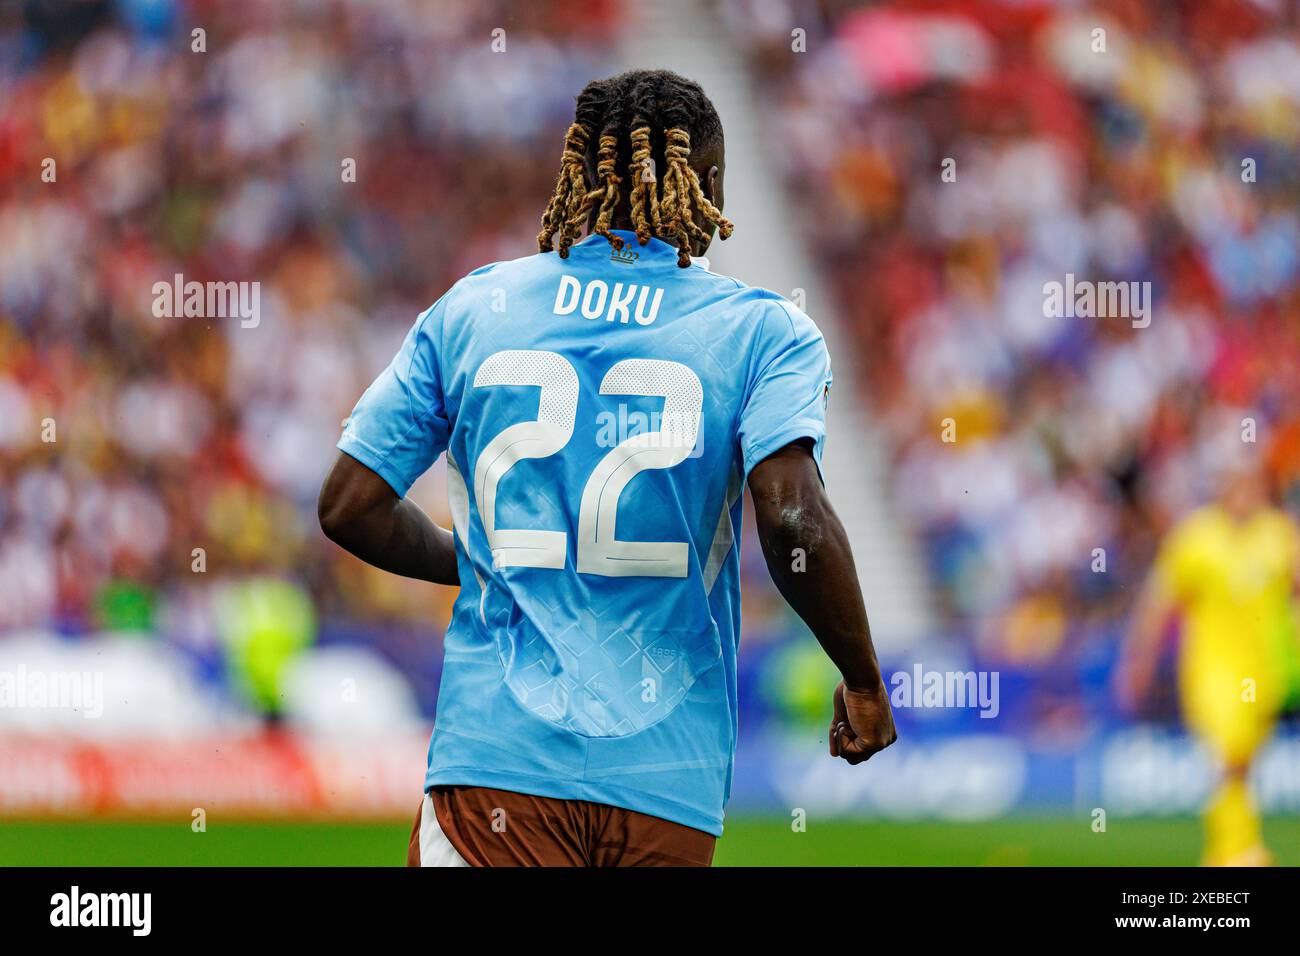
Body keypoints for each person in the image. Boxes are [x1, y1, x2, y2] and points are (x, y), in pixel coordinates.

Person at [318, 69, 895, 867]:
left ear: (580, 177)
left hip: (496, 766)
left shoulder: (476, 309)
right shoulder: (763, 332)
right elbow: (790, 511)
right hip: (667, 780)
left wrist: (485, 559)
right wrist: (861, 676)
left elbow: (349, 505)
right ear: (709, 185)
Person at [1118, 454, 1299, 866]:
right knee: (1230, 751)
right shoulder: (1195, 537)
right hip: (1211, 670)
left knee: (1244, 762)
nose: (1243, 494)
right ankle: (1241, 851)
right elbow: (1158, 602)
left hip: (1266, 670)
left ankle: (1226, 850)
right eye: (1234, 484)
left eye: (1251, 484)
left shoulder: (1278, 534)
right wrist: (1138, 660)